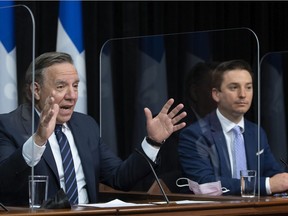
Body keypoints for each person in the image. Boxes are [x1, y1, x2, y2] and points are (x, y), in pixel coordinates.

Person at [0, 52, 187, 206]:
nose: (72, 96)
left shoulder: (86, 125)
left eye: (75, 86)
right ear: (36, 90)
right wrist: (38, 140)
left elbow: (120, 178)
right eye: (61, 86)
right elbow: (4, 183)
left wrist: (153, 142)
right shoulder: (9, 125)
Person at [178, 59, 288, 196]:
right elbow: (205, 183)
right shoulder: (195, 135)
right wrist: (266, 185)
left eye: (248, 87)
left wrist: (283, 181)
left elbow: (274, 174)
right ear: (216, 94)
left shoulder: (256, 132)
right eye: (234, 87)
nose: (243, 94)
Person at [133, 61, 218, 193]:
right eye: (215, 89)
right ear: (195, 91)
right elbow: (161, 181)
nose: (221, 96)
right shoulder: (167, 126)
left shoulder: (233, 127)